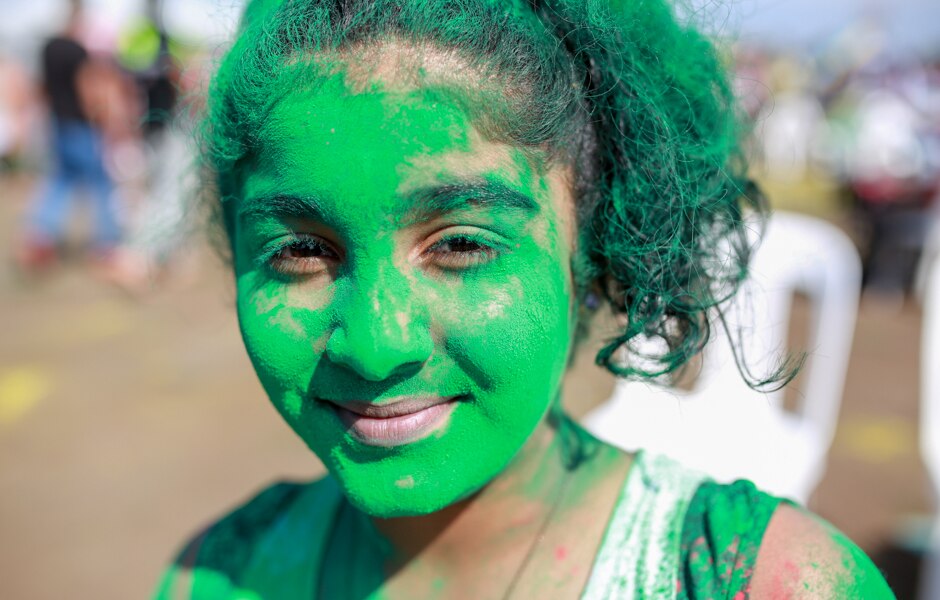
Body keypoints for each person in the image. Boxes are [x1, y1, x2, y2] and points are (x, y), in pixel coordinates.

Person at [155, 0, 895, 598]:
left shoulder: (762, 583)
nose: (376, 345)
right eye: (301, 251)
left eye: (461, 243)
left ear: (591, 243)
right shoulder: (215, 577)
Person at [16, 0, 125, 271]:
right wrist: (102, 117)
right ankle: (107, 243)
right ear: (80, 18)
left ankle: (39, 236)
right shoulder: (77, 50)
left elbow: (40, 87)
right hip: (79, 125)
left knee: (61, 179)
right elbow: (88, 87)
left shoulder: (48, 48)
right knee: (100, 182)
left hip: (57, 123)